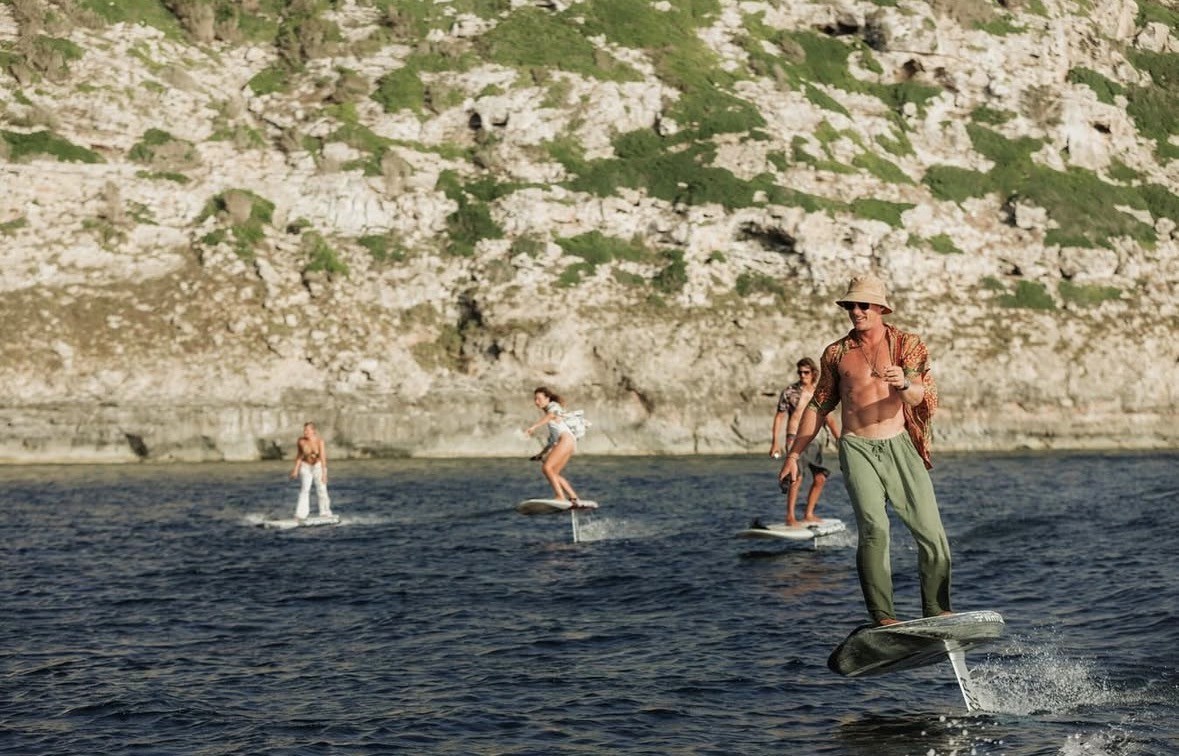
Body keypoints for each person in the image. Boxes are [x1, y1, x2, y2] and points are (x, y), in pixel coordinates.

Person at [779, 274, 949, 627]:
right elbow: (818, 406)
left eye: (863, 305)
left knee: (930, 531)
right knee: (875, 528)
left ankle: (937, 609)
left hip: (899, 444)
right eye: (850, 305)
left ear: (881, 308)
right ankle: (883, 616)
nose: (855, 311)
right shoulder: (837, 353)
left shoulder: (907, 345)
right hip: (856, 446)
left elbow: (920, 396)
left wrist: (903, 382)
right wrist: (794, 455)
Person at [770, 356, 840, 525]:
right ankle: (790, 516)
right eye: (800, 372)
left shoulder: (819, 393)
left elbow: (829, 419)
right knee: (796, 477)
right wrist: (775, 442)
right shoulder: (790, 392)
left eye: (806, 372)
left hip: (815, 439)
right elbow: (779, 417)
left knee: (820, 478)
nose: (802, 375)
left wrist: (840, 440)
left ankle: (808, 513)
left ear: (813, 373)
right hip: (794, 437)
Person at [523, 387, 582, 504]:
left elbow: (550, 415)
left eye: (539, 399)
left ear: (547, 398)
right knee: (554, 473)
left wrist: (534, 427)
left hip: (565, 440)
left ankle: (560, 496)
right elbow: (552, 441)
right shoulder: (552, 414)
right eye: (535, 399)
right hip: (569, 442)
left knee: (547, 468)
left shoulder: (553, 406)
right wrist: (541, 454)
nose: (536, 402)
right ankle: (574, 498)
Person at [290, 421, 332, 520]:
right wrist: (295, 470)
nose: (305, 432)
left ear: (313, 431)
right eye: (304, 430)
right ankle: (301, 514)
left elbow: (322, 457)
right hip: (306, 466)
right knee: (304, 489)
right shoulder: (301, 441)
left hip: (318, 465)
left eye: (308, 430)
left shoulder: (319, 441)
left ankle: (325, 512)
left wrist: (324, 474)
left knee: (321, 489)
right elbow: (299, 456)